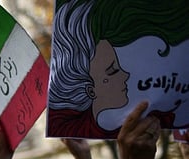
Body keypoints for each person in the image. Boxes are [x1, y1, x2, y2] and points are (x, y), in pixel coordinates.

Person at [48, 0, 189, 138]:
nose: (125, 74)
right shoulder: (72, 127)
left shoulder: (167, 114)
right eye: (112, 71)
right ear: (90, 90)